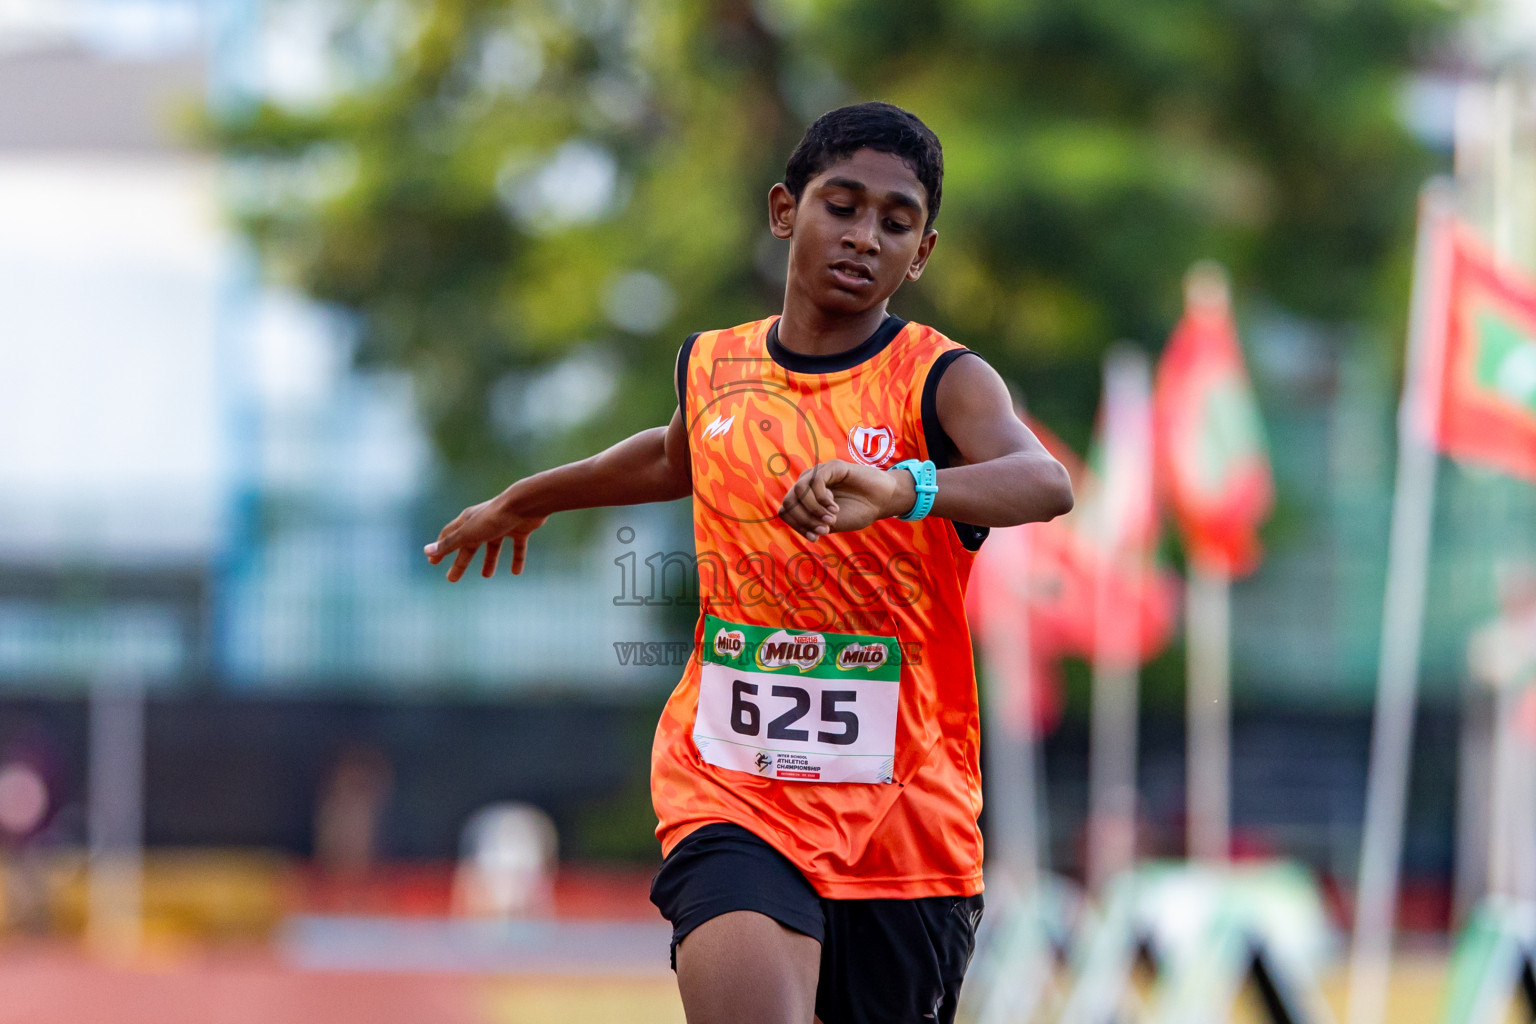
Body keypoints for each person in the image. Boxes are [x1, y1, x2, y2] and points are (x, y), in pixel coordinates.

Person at [426, 101, 1073, 1024]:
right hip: (732, 793)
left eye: (895, 224)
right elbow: (671, 457)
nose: (864, 237)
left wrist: (904, 488)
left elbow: (1043, 480)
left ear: (921, 254)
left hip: (903, 831)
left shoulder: (941, 381)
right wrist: (532, 495)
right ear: (784, 210)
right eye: (841, 206)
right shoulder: (714, 368)